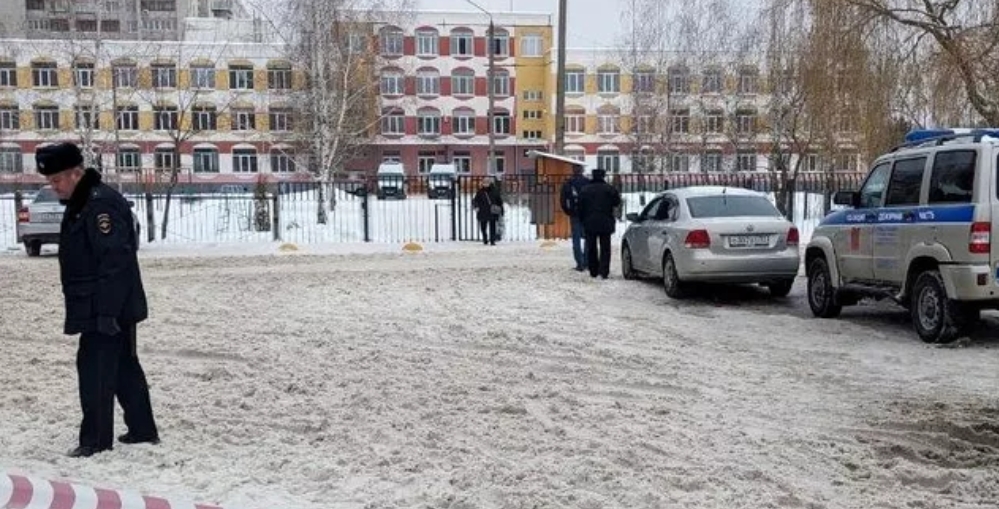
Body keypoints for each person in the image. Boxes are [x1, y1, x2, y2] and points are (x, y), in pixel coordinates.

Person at [36, 142, 159, 458]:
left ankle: (95, 440)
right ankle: (143, 430)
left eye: (57, 180)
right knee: (121, 368)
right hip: (104, 305)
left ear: (76, 174)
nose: (53, 187)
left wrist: (106, 313)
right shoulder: (83, 202)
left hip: (106, 308)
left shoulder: (99, 205)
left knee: (94, 370)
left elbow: (115, 263)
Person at [577, 168, 622, 279]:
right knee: (605, 247)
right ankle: (604, 271)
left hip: (590, 221)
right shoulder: (610, 189)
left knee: (591, 247)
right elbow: (617, 202)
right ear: (603, 176)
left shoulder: (585, 190)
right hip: (605, 221)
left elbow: (580, 207)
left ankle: (593, 270)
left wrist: (582, 219)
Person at [559, 165, 589, 271]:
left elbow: (562, 200)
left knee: (576, 239)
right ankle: (587, 261)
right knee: (588, 238)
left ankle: (580, 263)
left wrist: (568, 211)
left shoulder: (568, 183)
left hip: (574, 214)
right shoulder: (588, 182)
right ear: (582, 170)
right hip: (586, 214)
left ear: (573, 170)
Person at [473, 176, 503, 245]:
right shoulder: (480, 192)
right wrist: (476, 206)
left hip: (492, 211)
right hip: (482, 211)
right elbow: (475, 200)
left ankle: (492, 240)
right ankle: (485, 239)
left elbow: (499, 201)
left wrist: (500, 208)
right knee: (483, 227)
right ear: (482, 183)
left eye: (487, 183)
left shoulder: (495, 191)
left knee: (492, 226)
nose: (486, 184)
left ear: (490, 183)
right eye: (484, 183)